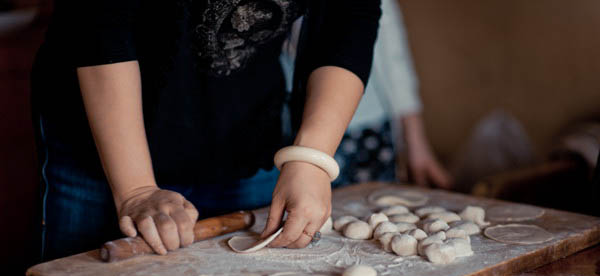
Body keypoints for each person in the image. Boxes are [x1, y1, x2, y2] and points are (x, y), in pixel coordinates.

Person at [31, 1, 381, 261]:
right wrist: (136, 190)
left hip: (243, 132)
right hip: (104, 138)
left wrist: (311, 159)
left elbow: (349, 18)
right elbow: (98, 20)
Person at [282, 0, 451, 189]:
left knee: (369, 208)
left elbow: (395, 58)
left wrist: (416, 140)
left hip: (368, 128)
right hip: (296, 124)